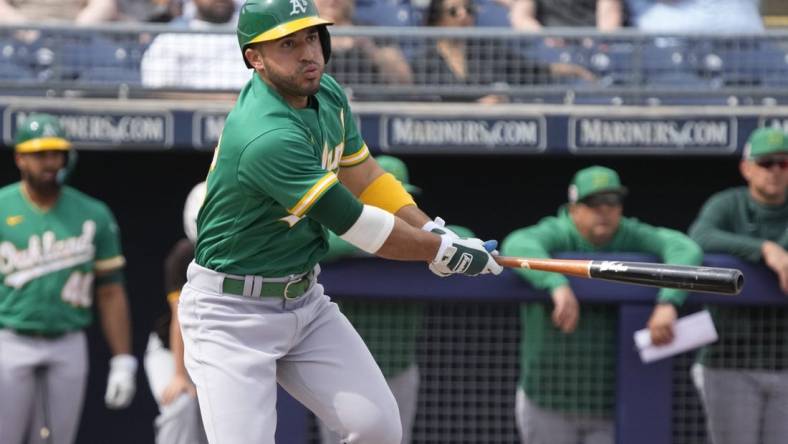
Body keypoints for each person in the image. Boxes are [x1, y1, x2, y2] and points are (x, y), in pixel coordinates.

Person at [177, 1, 502, 443]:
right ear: (254, 57)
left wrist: (432, 230)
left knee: (378, 428)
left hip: (303, 300)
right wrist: (442, 253)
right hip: (231, 313)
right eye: (288, 44)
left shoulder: (326, 92)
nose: (308, 52)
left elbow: (365, 176)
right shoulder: (265, 135)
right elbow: (357, 224)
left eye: (311, 36)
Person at [501, 165, 702, 444]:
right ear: (574, 209)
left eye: (612, 202)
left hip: (608, 402)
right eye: (593, 203)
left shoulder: (629, 233)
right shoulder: (559, 231)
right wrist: (556, 284)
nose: (604, 210)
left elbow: (685, 248)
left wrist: (669, 302)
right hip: (546, 398)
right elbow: (517, 243)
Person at [317, 155, 475, 444]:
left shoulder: (416, 239)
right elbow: (322, 243)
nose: (391, 212)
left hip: (398, 368)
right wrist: (374, 241)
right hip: (342, 370)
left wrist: (419, 243)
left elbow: (463, 236)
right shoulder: (335, 231)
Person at [0, 113, 137, 444]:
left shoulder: (93, 213)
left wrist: (123, 358)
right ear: (20, 158)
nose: (50, 162)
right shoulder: (3, 206)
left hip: (68, 340)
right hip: (10, 338)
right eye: (40, 154)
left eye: (56, 153)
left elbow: (110, 291)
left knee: (57, 439)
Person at [688, 127, 788, 444]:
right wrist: (765, 250)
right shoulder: (727, 204)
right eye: (766, 162)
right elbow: (699, 238)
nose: (774, 170)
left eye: (783, 163)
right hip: (729, 359)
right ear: (747, 168)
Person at [411, 0, 595, 103]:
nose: (464, 15)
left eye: (468, 9)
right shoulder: (425, 61)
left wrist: (576, 70)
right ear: (438, 21)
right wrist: (475, 108)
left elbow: (530, 70)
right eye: (454, 11)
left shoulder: (487, 51)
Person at [143, 181, 209, 444]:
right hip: (170, 351)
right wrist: (179, 374)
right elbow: (180, 319)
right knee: (180, 406)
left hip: (212, 352)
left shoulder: (245, 256)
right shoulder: (184, 255)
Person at [141, 0, 251, 90]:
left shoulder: (254, 34)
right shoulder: (172, 37)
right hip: (189, 114)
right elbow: (157, 89)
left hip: (251, 112)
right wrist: (220, 100)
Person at [314, 0, 412, 94]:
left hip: (367, 102)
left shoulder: (370, 32)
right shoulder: (303, 36)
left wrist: (371, 50)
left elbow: (405, 81)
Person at [505, 0, 624, 31]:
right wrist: (546, 38)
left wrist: (598, 41)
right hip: (548, 49)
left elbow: (609, 21)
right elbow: (521, 18)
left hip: (591, 47)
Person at [0, 0, 117, 24]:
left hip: (77, 42)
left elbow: (103, 4)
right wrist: (26, 30)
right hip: (18, 40)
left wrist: (77, 31)